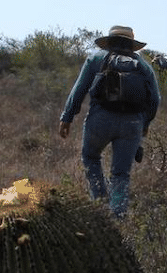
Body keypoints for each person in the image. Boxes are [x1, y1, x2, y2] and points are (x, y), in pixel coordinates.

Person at [58, 25, 161, 217]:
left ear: (109, 42)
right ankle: (117, 217)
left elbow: (79, 90)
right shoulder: (143, 66)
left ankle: (99, 205)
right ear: (132, 45)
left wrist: (67, 117)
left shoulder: (96, 59)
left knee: (91, 157)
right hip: (132, 125)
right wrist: (145, 125)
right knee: (121, 174)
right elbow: (155, 99)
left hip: (100, 120)